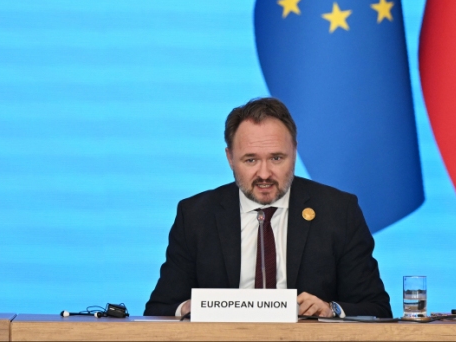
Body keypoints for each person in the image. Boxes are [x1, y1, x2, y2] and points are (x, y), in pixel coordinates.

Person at [144, 97, 392, 318]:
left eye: (276, 158)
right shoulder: (196, 215)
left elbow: (377, 309)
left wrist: (331, 310)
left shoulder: (338, 211)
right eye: (251, 159)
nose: (264, 174)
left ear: (294, 152)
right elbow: (159, 309)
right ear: (230, 158)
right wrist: (189, 307)